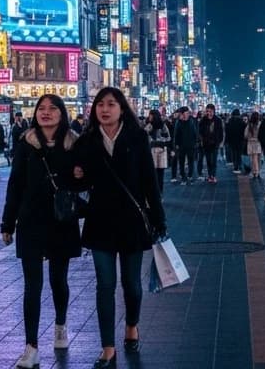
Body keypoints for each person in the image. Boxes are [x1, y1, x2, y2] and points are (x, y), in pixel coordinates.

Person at [73, 87, 165, 369]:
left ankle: (132, 326)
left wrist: (159, 220)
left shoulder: (137, 138)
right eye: (100, 104)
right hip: (100, 222)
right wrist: (77, 176)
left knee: (132, 285)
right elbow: (78, 184)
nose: (105, 109)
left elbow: (150, 181)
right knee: (105, 285)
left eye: (111, 104)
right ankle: (107, 348)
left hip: (132, 222)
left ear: (122, 108)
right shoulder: (87, 141)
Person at [1, 94, 83, 369]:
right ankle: (31, 346)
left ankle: (60, 324)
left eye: (52, 108)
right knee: (32, 285)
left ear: (62, 113)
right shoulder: (26, 144)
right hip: (31, 220)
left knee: (58, 280)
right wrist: (7, 222)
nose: (46, 113)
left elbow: (83, 183)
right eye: (41, 109)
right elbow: (15, 185)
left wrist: (82, 175)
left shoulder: (74, 143)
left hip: (61, 220)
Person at [144, 109, 170, 195]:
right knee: (153, 174)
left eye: (151, 115)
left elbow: (168, 137)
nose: (149, 117)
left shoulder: (163, 126)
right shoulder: (149, 125)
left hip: (161, 151)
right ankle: (155, 193)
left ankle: (159, 192)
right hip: (152, 151)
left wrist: (158, 140)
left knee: (160, 174)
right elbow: (143, 136)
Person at [170, 106, 198, 185]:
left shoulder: (192, 121)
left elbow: (195, 133)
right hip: (181, 146)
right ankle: (183, 176)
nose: (187, 114)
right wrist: (176, 145)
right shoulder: (178, 122)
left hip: (191, 145)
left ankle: (190, 175)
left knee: (191, 161)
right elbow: (176, 135)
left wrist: (196, 142)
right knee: (181, 162)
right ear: (182, 114)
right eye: (185, 113)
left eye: (188, 113)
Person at [198, 104, 223, 184]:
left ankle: (213, 175)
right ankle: (210, 175)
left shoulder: (218, 120)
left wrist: (219, 141)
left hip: (215, 143)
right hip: (206, 144)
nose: (209, 113)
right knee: (208, 160)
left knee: (214, 160)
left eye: (210, 111)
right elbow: (200, 131)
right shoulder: (203, 120)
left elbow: (221, 132)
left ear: (214, 111)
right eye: (207, 111)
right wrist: (202, 139)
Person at [224, 109, 247, 174]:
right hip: (240, 140)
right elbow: (244, 131)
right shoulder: (242, 122)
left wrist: (227, 140)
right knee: (239, 154)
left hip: (232, 140)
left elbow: (227, 131)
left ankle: (235, 166)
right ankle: (239, 166)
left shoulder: (229, 122)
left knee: (234, 153)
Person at [244, 113, 263, 179]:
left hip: (251, 143)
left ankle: (254, 172)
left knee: (253, 159)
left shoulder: (249, 125)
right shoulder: (260, 124)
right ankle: (257, 171)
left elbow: (245, 135)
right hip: (258, 143)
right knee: (258, 158)